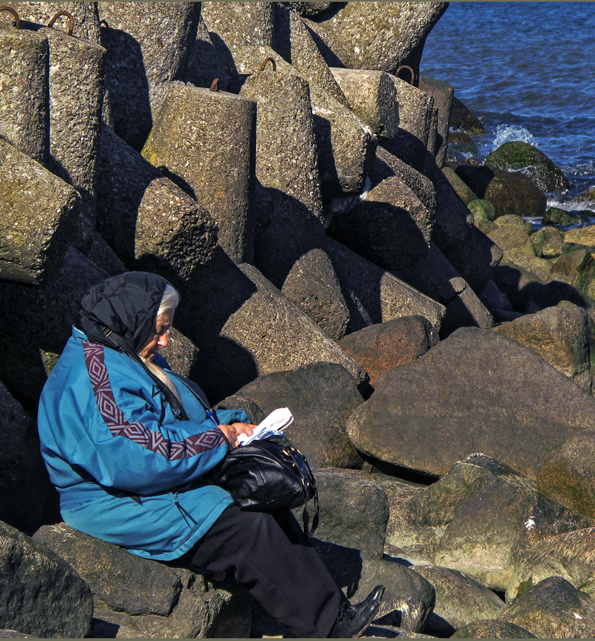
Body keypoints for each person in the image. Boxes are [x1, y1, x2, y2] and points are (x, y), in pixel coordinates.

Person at [38, 272, 384, 638]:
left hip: (143, 485)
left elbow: (173, 423)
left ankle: (332, 613)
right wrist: (220, 438)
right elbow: (141, 455)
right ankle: (325, 628)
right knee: (245, 527)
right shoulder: (96, 377)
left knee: (263, 495)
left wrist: (233, 426)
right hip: (111, 501)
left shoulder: (123, 351)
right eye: (159, 329)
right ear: (131, 321)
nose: (166, 340)